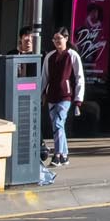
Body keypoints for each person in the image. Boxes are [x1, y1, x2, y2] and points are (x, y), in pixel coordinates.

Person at [39, 27, 84, 166]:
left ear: (66, 39)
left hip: (66, 96)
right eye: (55, 39)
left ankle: (57, 155)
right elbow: (44, 77)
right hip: (52, 95)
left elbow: (79, 77)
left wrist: (78, 101)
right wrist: (41, 93)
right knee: (57, 126)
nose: (57, 41)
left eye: (59, 38)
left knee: (58, 123)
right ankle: (65, 155)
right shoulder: (49, 56)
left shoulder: (72, 55)